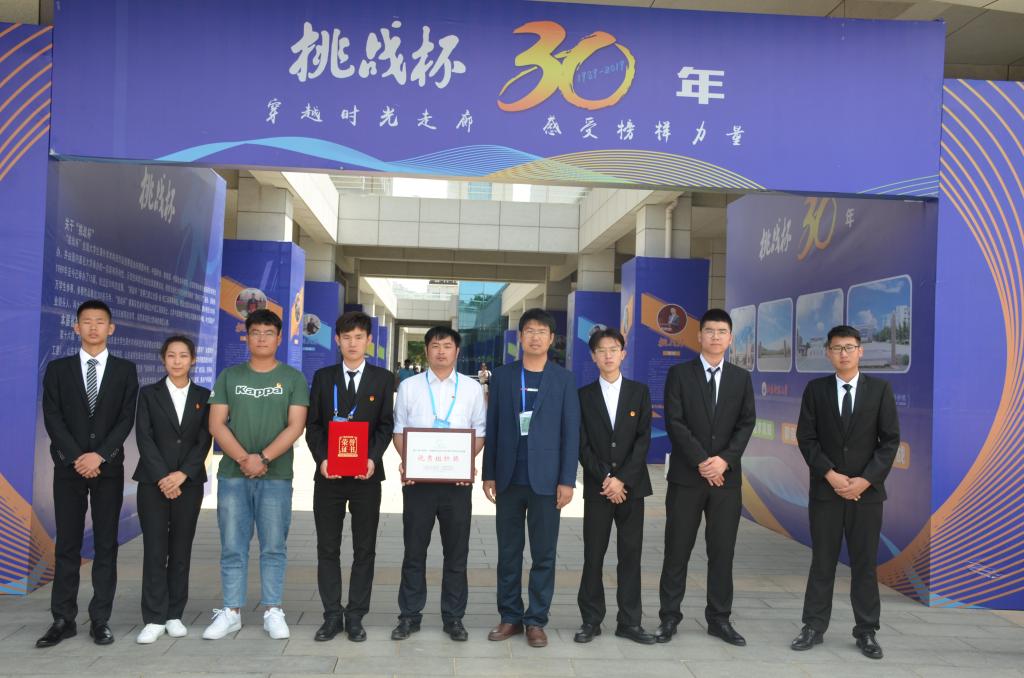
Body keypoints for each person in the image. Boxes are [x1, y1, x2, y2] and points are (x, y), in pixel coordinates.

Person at [791, 325, 899, 660]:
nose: (844, 354)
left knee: (864, 564)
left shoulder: (879, 390)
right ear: (828, 352)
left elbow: (889, 442)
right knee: (822, 561)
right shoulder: (816, 390)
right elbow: (806, 438)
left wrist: (865, 480)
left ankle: (866, 631)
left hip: (867, 495)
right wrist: (830, 475)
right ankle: (813, 626)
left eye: (849, 347)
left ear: (860, 351)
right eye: (837, 348)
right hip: (827, 492)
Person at [38, 299, 139, 648]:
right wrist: (77, 456)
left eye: (100, 321)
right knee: (67, 543)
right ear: (76, 327)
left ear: (111, 328)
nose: (93, 327)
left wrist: (100, 455)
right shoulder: (58, 369)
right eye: (87, 321)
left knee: (106, 544)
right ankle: (63, 619)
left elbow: (126, 417)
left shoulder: (125, 370)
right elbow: (52, 416)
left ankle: (100, 619)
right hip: (69, 468)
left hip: (107, 468)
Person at [203, 309, 308, 641]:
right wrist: (243, 459)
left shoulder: (292, 378)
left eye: (268, 333)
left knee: (273, 546)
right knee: (233, 546)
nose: (262, 338)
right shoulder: (229, 376)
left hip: (276, 476)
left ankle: (273, 610)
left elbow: (296, 426)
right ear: (246, 337)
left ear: (279, 338)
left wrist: (262, 458)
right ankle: (231, 611)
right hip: (233, 476)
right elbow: (216, 423)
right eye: (256, 332)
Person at [656, 308, 755, 647]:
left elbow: (746, 423)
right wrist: (702, 461)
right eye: (709, 330)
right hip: (687, 478)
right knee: (677, 550)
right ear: (699, 336)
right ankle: (669, 617)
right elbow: (675, 421)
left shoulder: (741, 378)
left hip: (725, 481)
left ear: (730, 338)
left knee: (722, 552)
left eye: (721, 331)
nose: (715, 336)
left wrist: (723, 461)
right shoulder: (679, 374)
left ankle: (719, 619)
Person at [482, 307, 580, 649]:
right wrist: (489, 473)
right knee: (508, 553)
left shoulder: (564, 380)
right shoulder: (503, 377)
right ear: (520, 337)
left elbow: (571, 433)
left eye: (542, 332)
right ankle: (510, 616)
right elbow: (493, 427)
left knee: (544, 554)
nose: (535, 337)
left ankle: (536, 620)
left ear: (551, 339)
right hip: (509, 479)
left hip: (547, 482)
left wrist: (567, 480)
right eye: (530, 331)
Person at [391, 326, 486, 642]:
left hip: (456, 484)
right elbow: (399, 430)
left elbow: (480, 431)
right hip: (418, 482)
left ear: (457, 351)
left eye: (447, 346)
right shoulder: (409, 386)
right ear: (427, 350)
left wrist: (463, 463)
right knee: (414, 550)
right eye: (435, 345)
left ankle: (453, 617)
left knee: (456, 552)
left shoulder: (472, 389)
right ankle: (409, 616)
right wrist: (410, 461)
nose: (441, 351)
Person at [305, 311, 395, 642]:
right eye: (346, 338)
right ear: (337, 340)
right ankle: (331, 615)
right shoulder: (323, 377)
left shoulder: (383, 379)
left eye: (359, 337)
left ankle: (356, 615)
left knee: (364, 548)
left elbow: (385, 425)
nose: (353, 343)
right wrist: (322, 459)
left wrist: (372, 458)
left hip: (365, 477)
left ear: (368, 340)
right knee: (327, 548)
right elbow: (314, 425)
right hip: (328, 476)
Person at [574, 328, 655, 645]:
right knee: (593, 555)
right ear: (593, 357)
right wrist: (606, 478)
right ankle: (590, 620)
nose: (608, 355)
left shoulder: (639, 392)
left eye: (613, 349)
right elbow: (582, 445)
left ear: (623, 354)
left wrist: (623, 479)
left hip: (632, 489)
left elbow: (643, 440)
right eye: (601, 350)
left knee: (630, 556)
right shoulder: (583, 396)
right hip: (599, 489)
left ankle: (630, 622)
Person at [132, 335, 211, 644]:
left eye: (183, 356)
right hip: (153, 483)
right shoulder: (148, 394)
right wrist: (163, 477)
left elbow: (204, 439)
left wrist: (182, 474)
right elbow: (144, 436)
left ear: (193, 360)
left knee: (180, 549)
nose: (177, 361)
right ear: (163, 359)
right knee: (155, 550)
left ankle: (174, 613)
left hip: (188, 484)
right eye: (171, 355)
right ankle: (153, 617)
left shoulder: (204, 396)